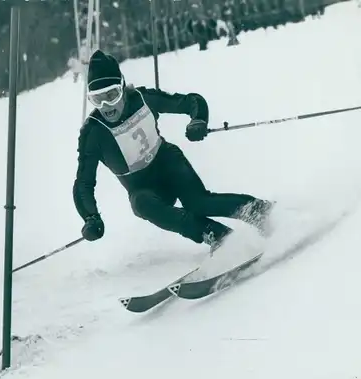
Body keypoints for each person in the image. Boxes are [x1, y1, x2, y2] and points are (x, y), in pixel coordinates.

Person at [73, 50, 273, 253]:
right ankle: (221, 238)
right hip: (145, 189)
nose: (107, 106)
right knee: (140, 204)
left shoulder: (142, 99)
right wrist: (91, 217)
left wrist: (198, 120)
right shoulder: (93, 132)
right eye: (98, 99)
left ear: (123, 88)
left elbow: (192, 101)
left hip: (169, 165)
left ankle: (261, 212)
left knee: (199, 203)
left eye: (112, 95)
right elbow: (83, 183)